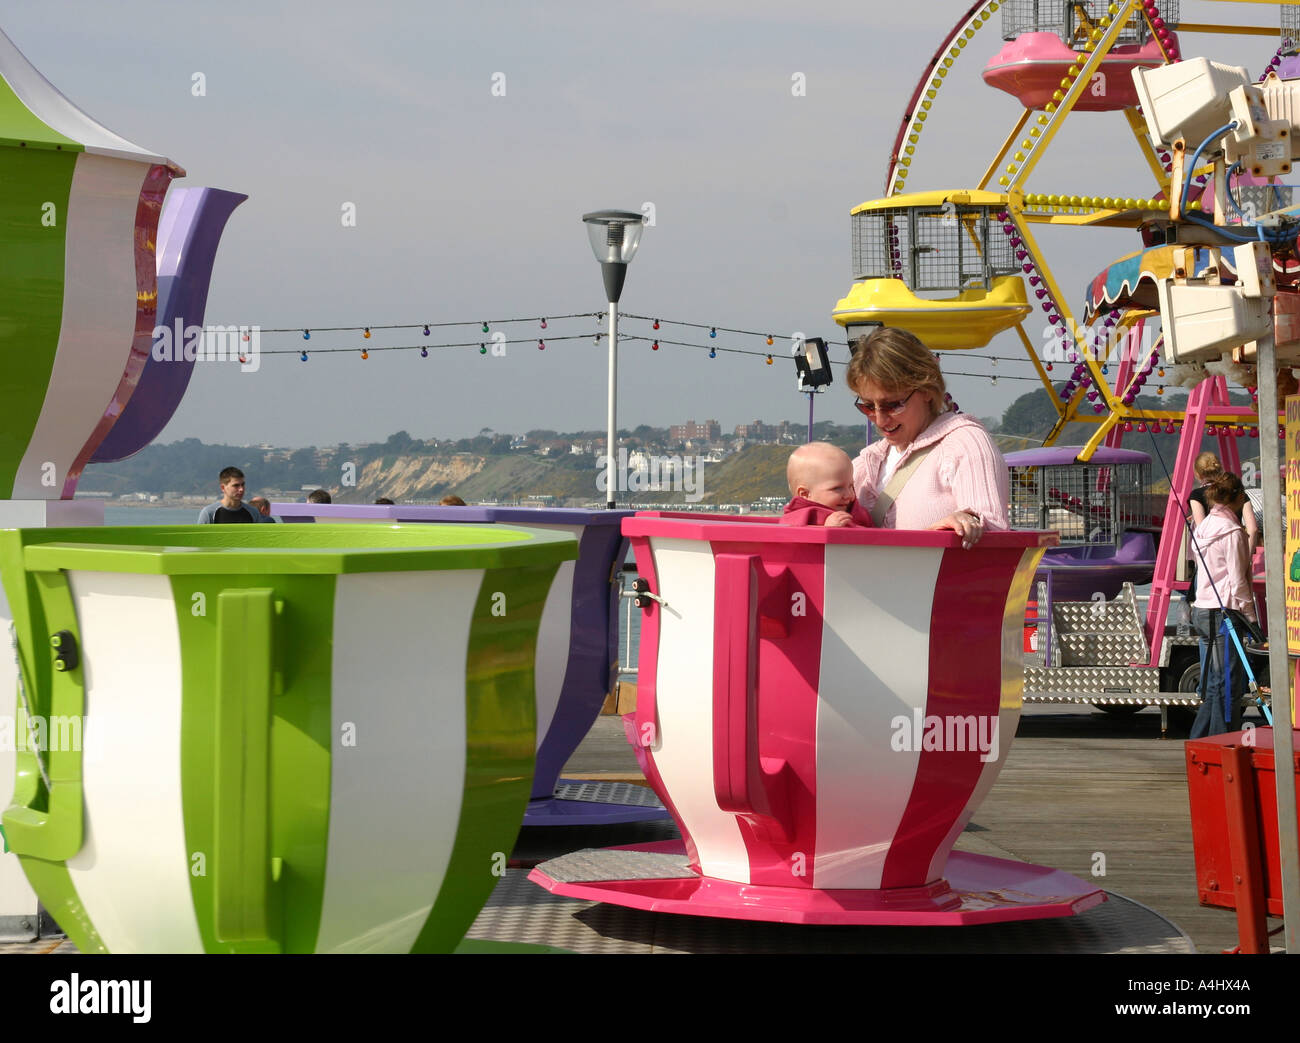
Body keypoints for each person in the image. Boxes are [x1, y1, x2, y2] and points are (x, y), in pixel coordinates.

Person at [847, 328, 1009, 548]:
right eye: (868, 407)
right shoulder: (865, 464)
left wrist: (964, 523)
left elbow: (994, 535)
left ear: (927, 389)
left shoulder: (965, 443)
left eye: (893, 405)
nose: (880, 419)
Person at [1188, 470, 1257, 739]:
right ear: (1237, 498)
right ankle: (1222, 741)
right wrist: (1251, 617)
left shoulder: (1203, 526)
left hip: (1202, 609)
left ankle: (1200, 740)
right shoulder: (1232, 532)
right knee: (1228, 683)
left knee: (1215, 682)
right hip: (1224, 612)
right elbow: (1238, 579)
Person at [781, 442, 872, 527]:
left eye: (851, 486)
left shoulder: (858, 512)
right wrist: (826, 530)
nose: (849, 495)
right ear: (805, 494)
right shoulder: (799, 517)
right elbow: (791, 539)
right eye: (837, 488)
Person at [1189, 452, 1258, 555]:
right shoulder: (1237, 492)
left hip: (1212, 556)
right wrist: (1247, 558)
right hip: (1237, 550)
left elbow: (1202, 530)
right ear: (1220, 469)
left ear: (1198, 474)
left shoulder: (1197, 495)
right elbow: (1253, 529)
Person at [197, 467, 262, 523]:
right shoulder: (209, 513)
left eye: (243, 485)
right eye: (236, 485)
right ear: (223, 488)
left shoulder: (253, 512)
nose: (241, 489)